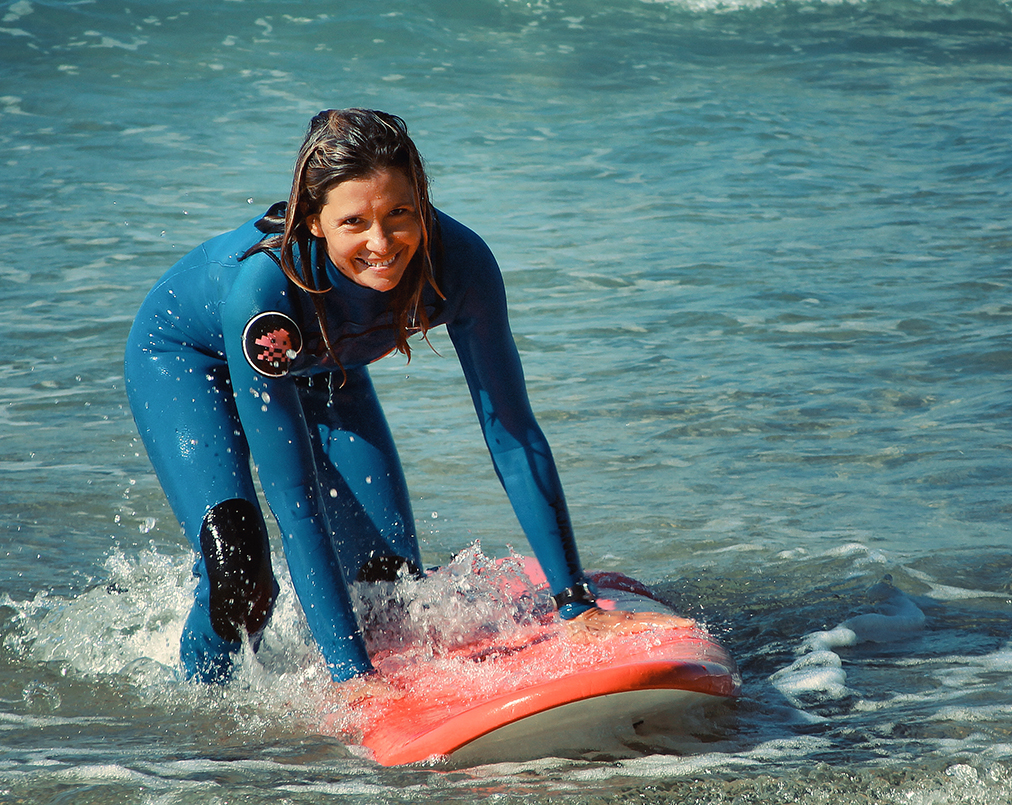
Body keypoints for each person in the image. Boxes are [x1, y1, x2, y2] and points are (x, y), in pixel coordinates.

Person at [125, 108, 677, 697]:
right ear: (313, 221)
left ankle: (333, 647)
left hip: (326, 363)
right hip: (188, 361)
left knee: (386, 592)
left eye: (399, 214)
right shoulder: (264, 295)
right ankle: (197, 716)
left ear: (423, 202)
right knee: (240, 575)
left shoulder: (461, 264)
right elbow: (296, 498)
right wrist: (352, 680)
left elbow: (513, 435)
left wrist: (577, 607)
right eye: (354, 222)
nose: (382, 243)